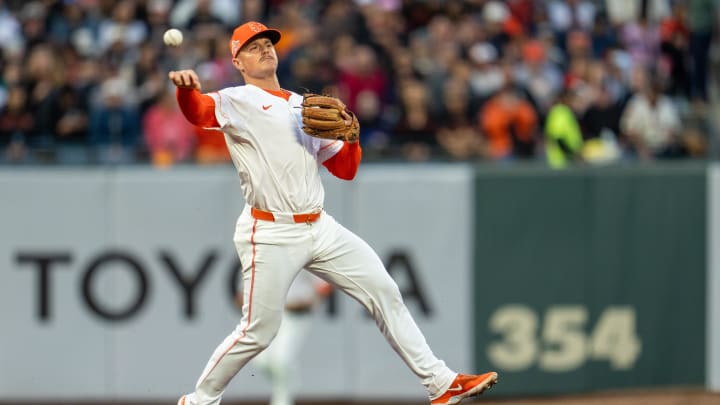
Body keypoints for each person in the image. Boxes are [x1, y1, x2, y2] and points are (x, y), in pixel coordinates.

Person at [169, 21, 498, 405]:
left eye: (268, 43)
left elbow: (345, 169)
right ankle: (200, 400)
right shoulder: (236, 100)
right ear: (238, 61)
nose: (265, 50)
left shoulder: (300, 105)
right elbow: (198, 112)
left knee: (385, 291)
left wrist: (353, 140)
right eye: (253, 46)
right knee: (258, 331)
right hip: (270, 231)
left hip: (320, 226)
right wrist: (186, 90)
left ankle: (440, 383)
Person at [244, 272, 332, 405]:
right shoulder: (270, 256)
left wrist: (312, 301)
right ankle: (290, 381)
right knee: (260, 359)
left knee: (281, 360)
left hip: (296, 314)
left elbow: (325, 284)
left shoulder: (303, 255)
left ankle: (283, 400)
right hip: (272, 313)